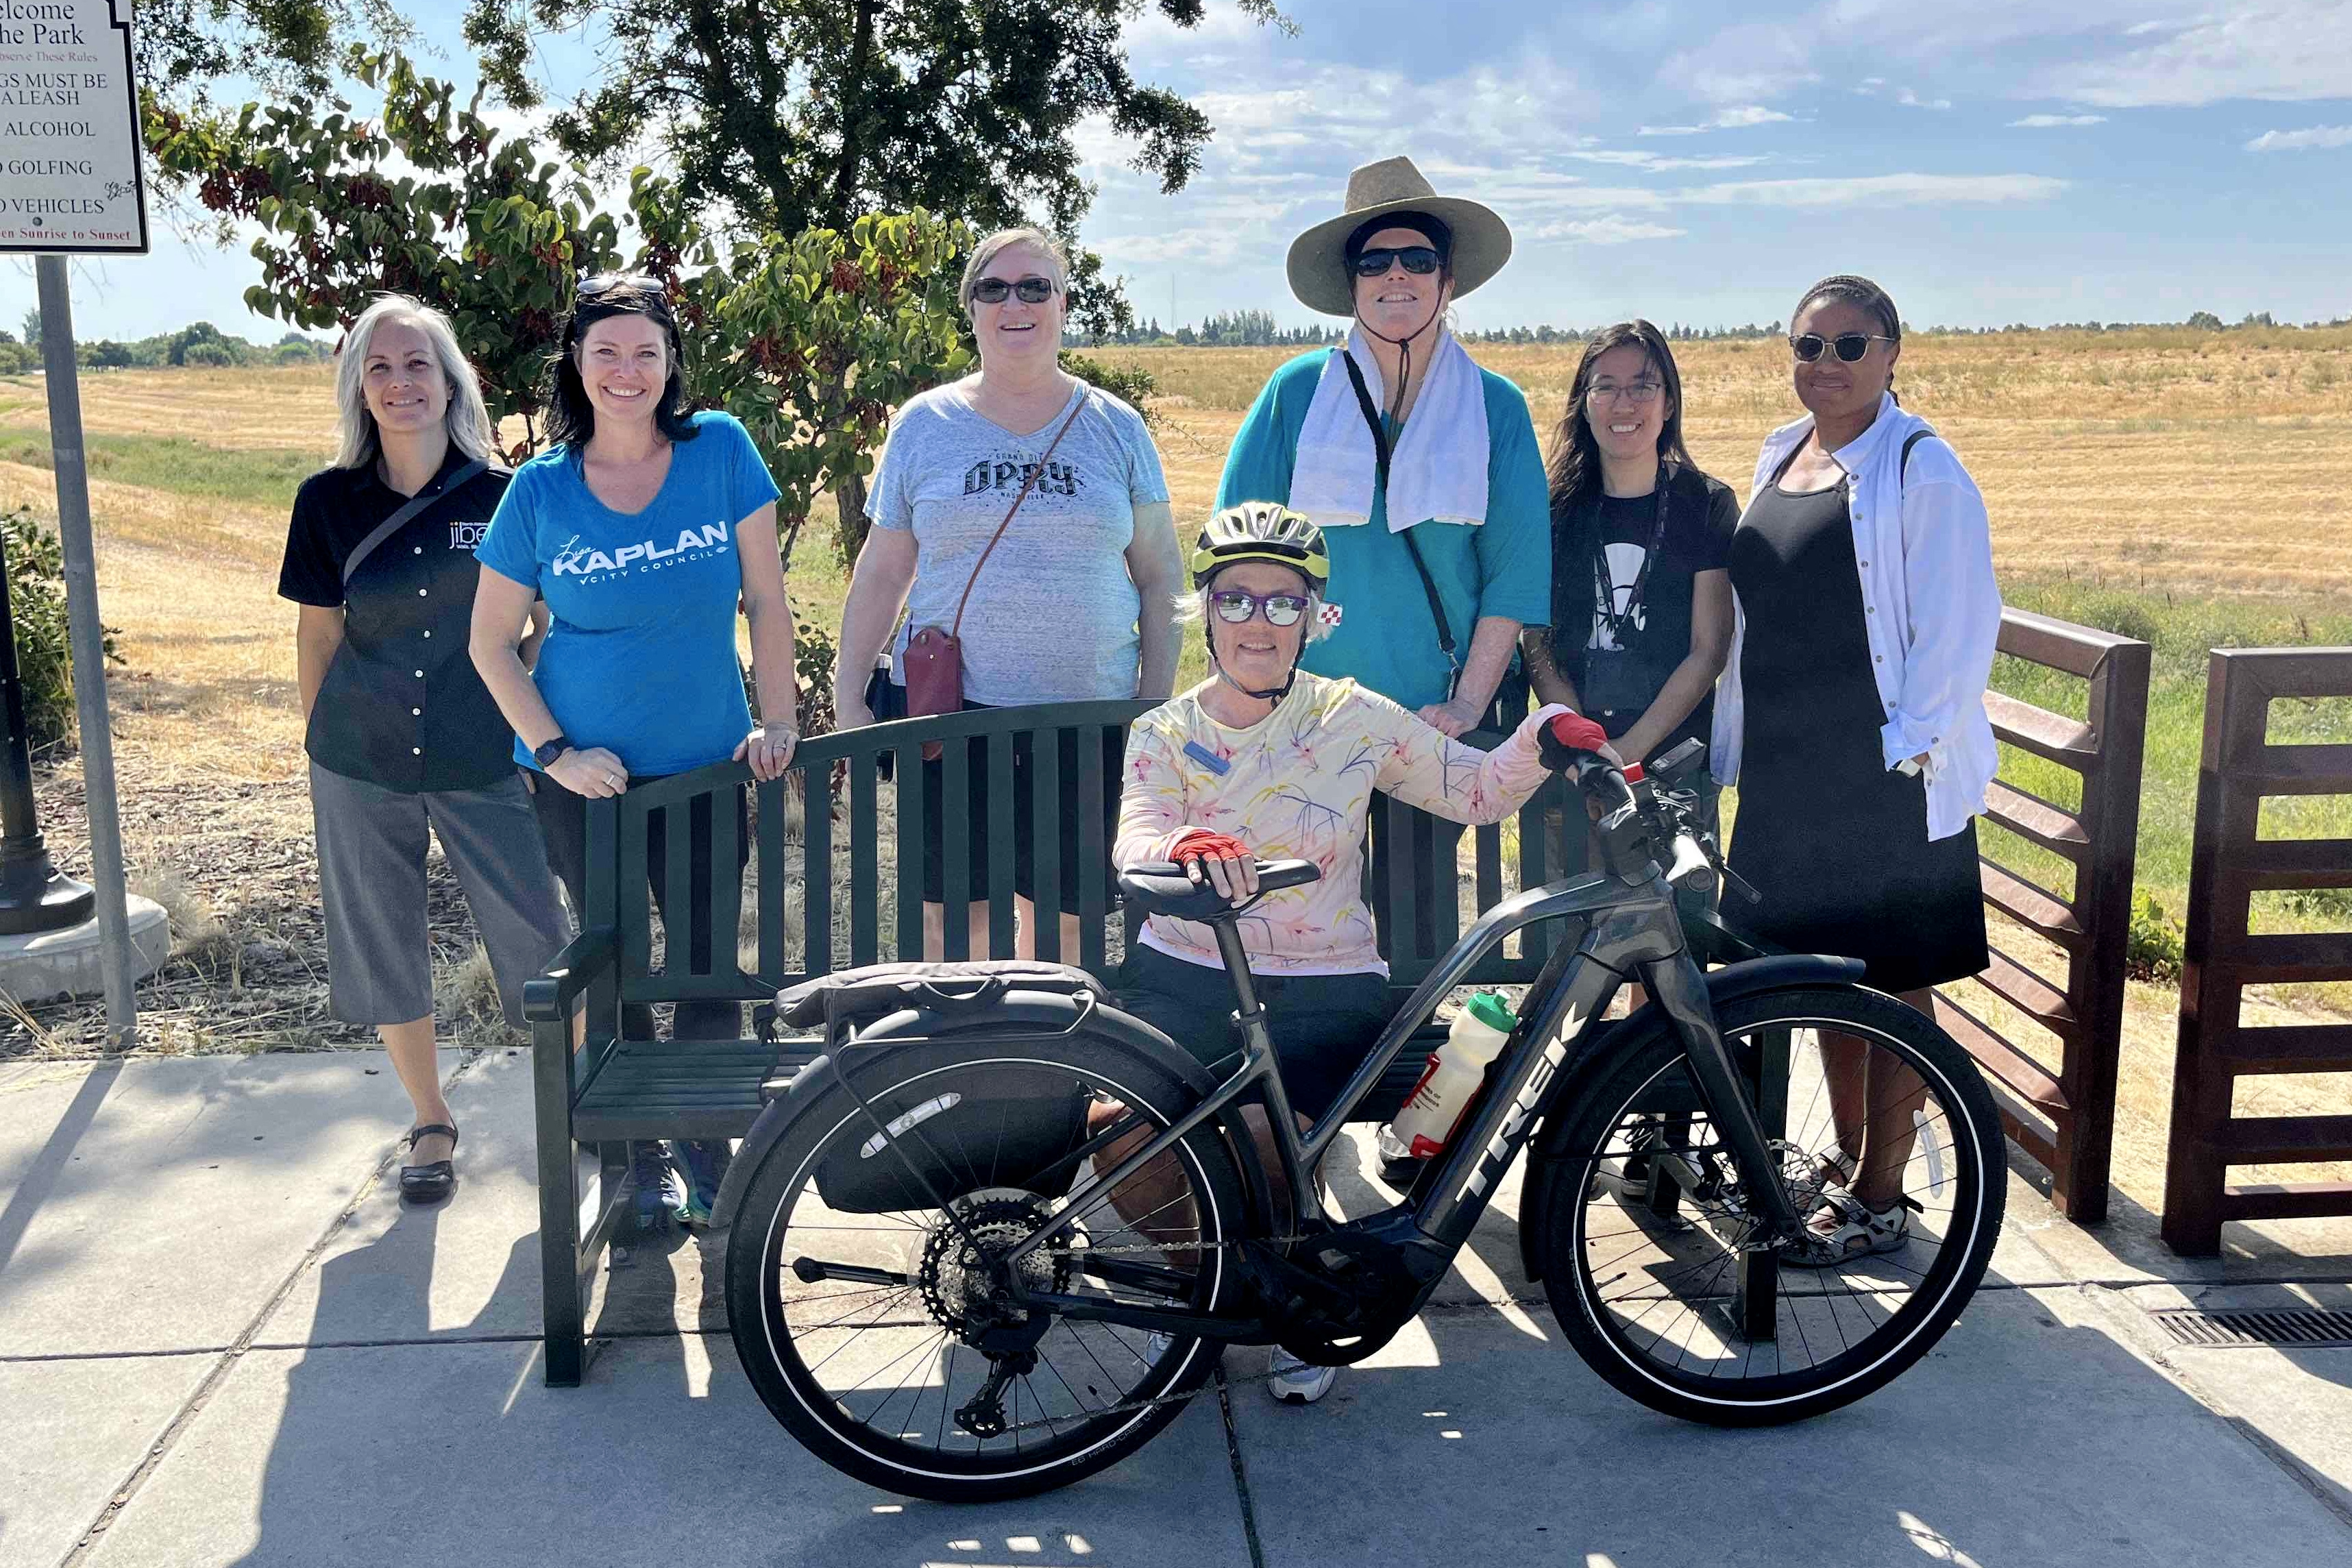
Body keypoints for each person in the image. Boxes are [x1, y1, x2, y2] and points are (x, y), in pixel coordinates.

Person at [1113, 502, 1582, 1406]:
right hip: (1186, 971)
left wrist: (1541, 734)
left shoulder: (1350, 716)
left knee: (1262, 1132)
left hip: (1321, 984)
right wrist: (1179, 848)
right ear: (1205, 611)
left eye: (1283, 603)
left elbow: (1475, 790)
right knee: (1123, 1132)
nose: (1257, 622)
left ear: (1313, 617)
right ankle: (1210, 1288)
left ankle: (1292, 1297)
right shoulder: (1163, 732)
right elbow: (1138, 831)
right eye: (1236, 599)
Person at [469, 273, 800, 1231]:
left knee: (704, 966)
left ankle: (703, 1140)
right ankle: (638, 1156)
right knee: (611, 967)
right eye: (606, 351)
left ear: (669, 363)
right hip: (586, 783)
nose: (627, 370)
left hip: (704, 769)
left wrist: (777, 720)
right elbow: (489, 644)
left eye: (645, 351)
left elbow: (766, 601)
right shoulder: (539, 489)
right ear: (575, 363)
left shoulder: (720, 450)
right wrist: (556, 752)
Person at [1711, 274, 2000, 1265]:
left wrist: (1903, 751)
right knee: (1820, 977)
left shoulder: (1921, 467)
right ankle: (1845, 1158)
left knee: (1896, 983)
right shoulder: (1779, 453)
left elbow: (1960, 628)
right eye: (1809, 345)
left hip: (1881, 773)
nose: (1826, 363)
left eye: (1849, 344)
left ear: (1892, 353)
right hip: (1789, 770)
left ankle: (1882, 1195)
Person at [280, 293, 569, 1206]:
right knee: (383, 941)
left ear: (451, 384)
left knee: (538, 937)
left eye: (418, 365)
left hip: (483, 755)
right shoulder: (326, 502)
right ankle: (430, 1119)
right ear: (359, 389)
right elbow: (318, 636)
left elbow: (545, 623)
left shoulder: (508, 495)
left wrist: (524, 712)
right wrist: (324, 749)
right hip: (359, 760)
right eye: (380, 367)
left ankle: (582, 1106)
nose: (400, 383)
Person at [834, 226, 1182, 959]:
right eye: (993, 289)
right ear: (970, 308)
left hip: (1088, 716)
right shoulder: (924, 425)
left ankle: (1043, 1038)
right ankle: (964, 1037)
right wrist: (848, 694)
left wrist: (1150, 708)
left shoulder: (1117, 428)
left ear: (1064, 303)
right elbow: (883, 571)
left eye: (1034, 287)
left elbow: (1159, 578)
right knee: (954, 919)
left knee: (1066, 921)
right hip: (950, 718)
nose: (1014, 304)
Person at [1216, 156, 1550, 735]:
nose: (1396, 275)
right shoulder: (1295, 393)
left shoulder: (1497, 407)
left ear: (1447, 282)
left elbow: (1514, 575)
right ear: (1353, 288)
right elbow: (1234, 558)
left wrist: (1467, 707)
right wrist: (1246, 702)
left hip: (1441, 722)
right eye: (1374, 263)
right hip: (1302, 719)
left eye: (1418, 260)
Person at [1521, 321, 1736, 906]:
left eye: (1643, 386)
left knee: (1678, 936)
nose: (1625, 404)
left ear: (1669, 403)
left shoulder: (1706, 503)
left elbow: (1709, 648)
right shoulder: (1551, 508)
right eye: (1606, 387)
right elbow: (1535, 640)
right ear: (1583, 403)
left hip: (1675, 769)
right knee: (1574, 938)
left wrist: (1631, 748)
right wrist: (1588, 746)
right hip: (1575, 769)